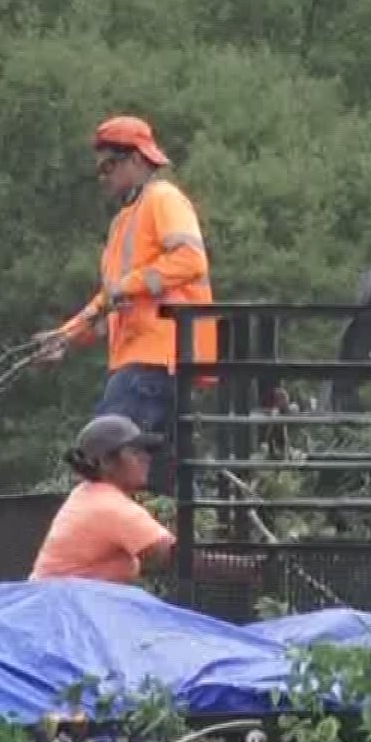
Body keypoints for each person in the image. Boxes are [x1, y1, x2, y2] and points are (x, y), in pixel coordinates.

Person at [33, 115, 217, 489]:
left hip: (155, 357)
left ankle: (96, 543)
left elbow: (189, 260)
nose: (103, 177)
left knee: (102, 458)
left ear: (137, 159)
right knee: (167, 477)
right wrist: (65, 337)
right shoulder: (123, 222)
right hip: (145, 361)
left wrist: (129, 286)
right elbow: (109, 299)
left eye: (109, 166)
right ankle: (193, 544)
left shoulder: (163, 199)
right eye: (100, 170)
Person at [31, 415, 257, 586]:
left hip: (60, 610)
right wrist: (254, 568)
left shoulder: (89, 493)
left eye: (146, 450)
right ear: (106, 462)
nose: (146, 458)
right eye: (135, 451)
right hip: (66, 619)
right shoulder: (110, 507)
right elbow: (176, 558)